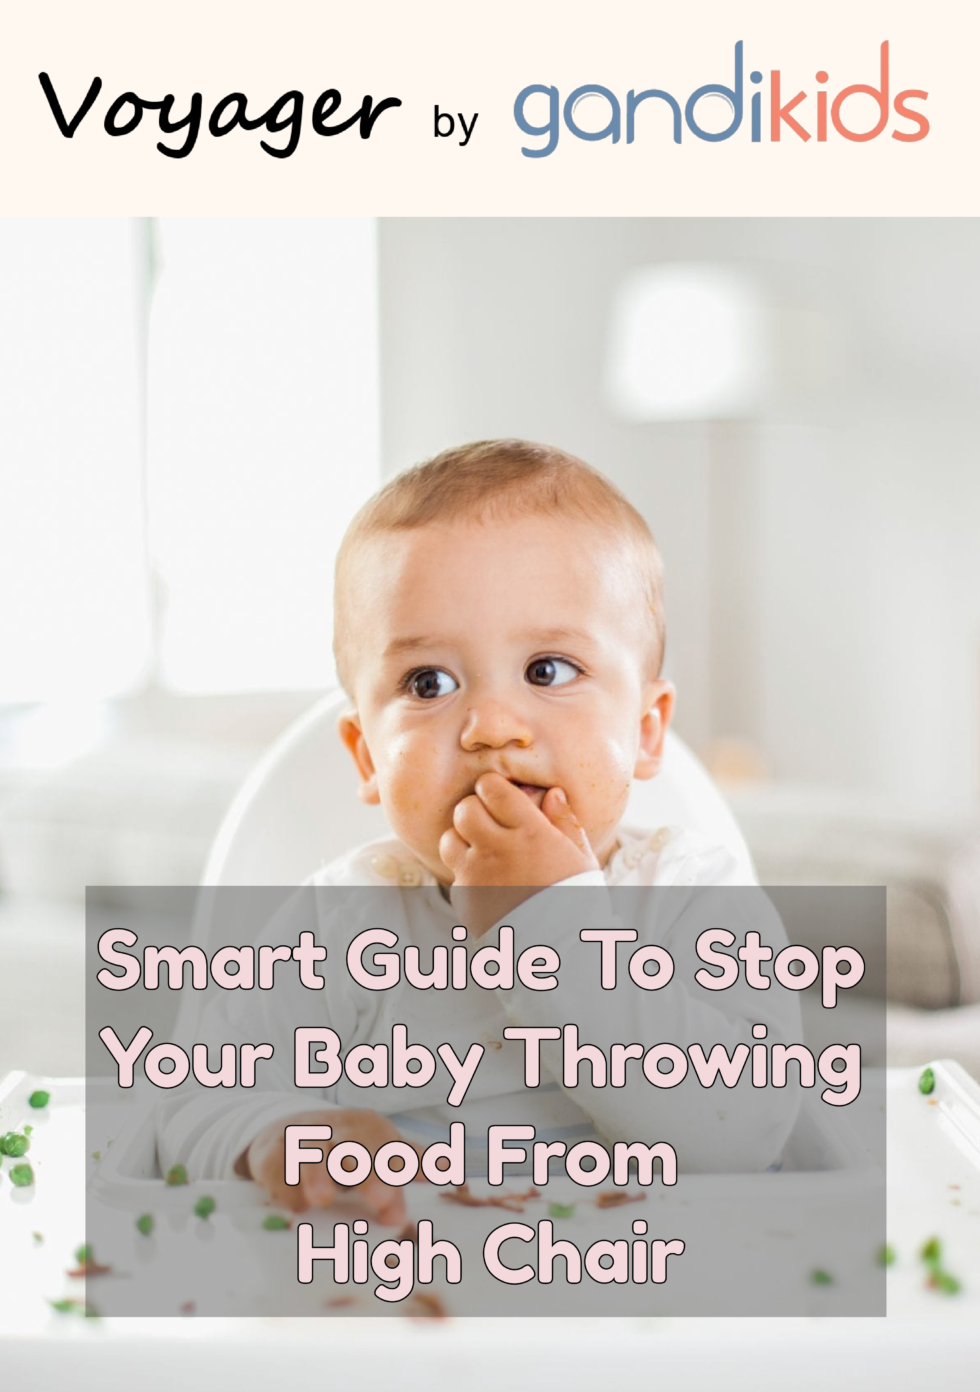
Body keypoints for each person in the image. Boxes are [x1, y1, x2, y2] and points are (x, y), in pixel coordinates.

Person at [157, 440, 802, 1224]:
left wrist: (549, 930)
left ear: (645, 729)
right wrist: (280, 1133)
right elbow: (189, 1106)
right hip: (400, 1293)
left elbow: (746, 1133)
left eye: (548, 670)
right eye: (428, 683)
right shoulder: (345, 922)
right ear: (367, 754)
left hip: (654, 1301)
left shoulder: (688, 897)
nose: (492, 728)